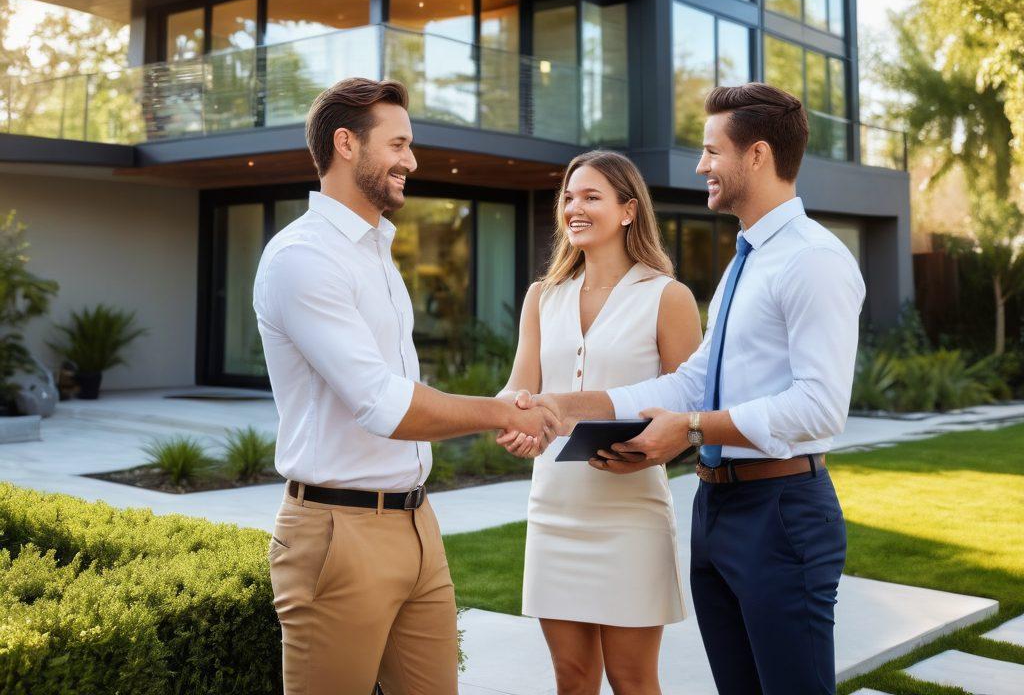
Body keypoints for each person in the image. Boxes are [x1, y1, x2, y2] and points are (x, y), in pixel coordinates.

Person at [515, 83, 866, 695]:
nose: (701, 165)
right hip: (720, 507)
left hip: (781, 509)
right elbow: (692, 381)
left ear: (757, 155)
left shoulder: (813, 258)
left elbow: (820, 406)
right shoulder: (746, 261)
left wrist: (694, 427)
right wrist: (562, 407)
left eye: (711, 151)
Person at [253, 77, 557, 695]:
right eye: (397, 145)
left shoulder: (376, 253)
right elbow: (383, 405)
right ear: (346, 144)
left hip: (417, 521)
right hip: (338, 532)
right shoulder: (303, 258)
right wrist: (503, 412)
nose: (411, 161)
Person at [496, 150, 703, 694]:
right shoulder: (542, 296)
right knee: (571, 678)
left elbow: (691, 405)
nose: (575, 208)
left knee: (632, 679)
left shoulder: (668, 297)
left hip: (631, 514)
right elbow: (519, 385)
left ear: (629, 210)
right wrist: (511, 416)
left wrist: (661, 444)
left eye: (592, 196)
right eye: (569, 197)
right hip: (554, 510)